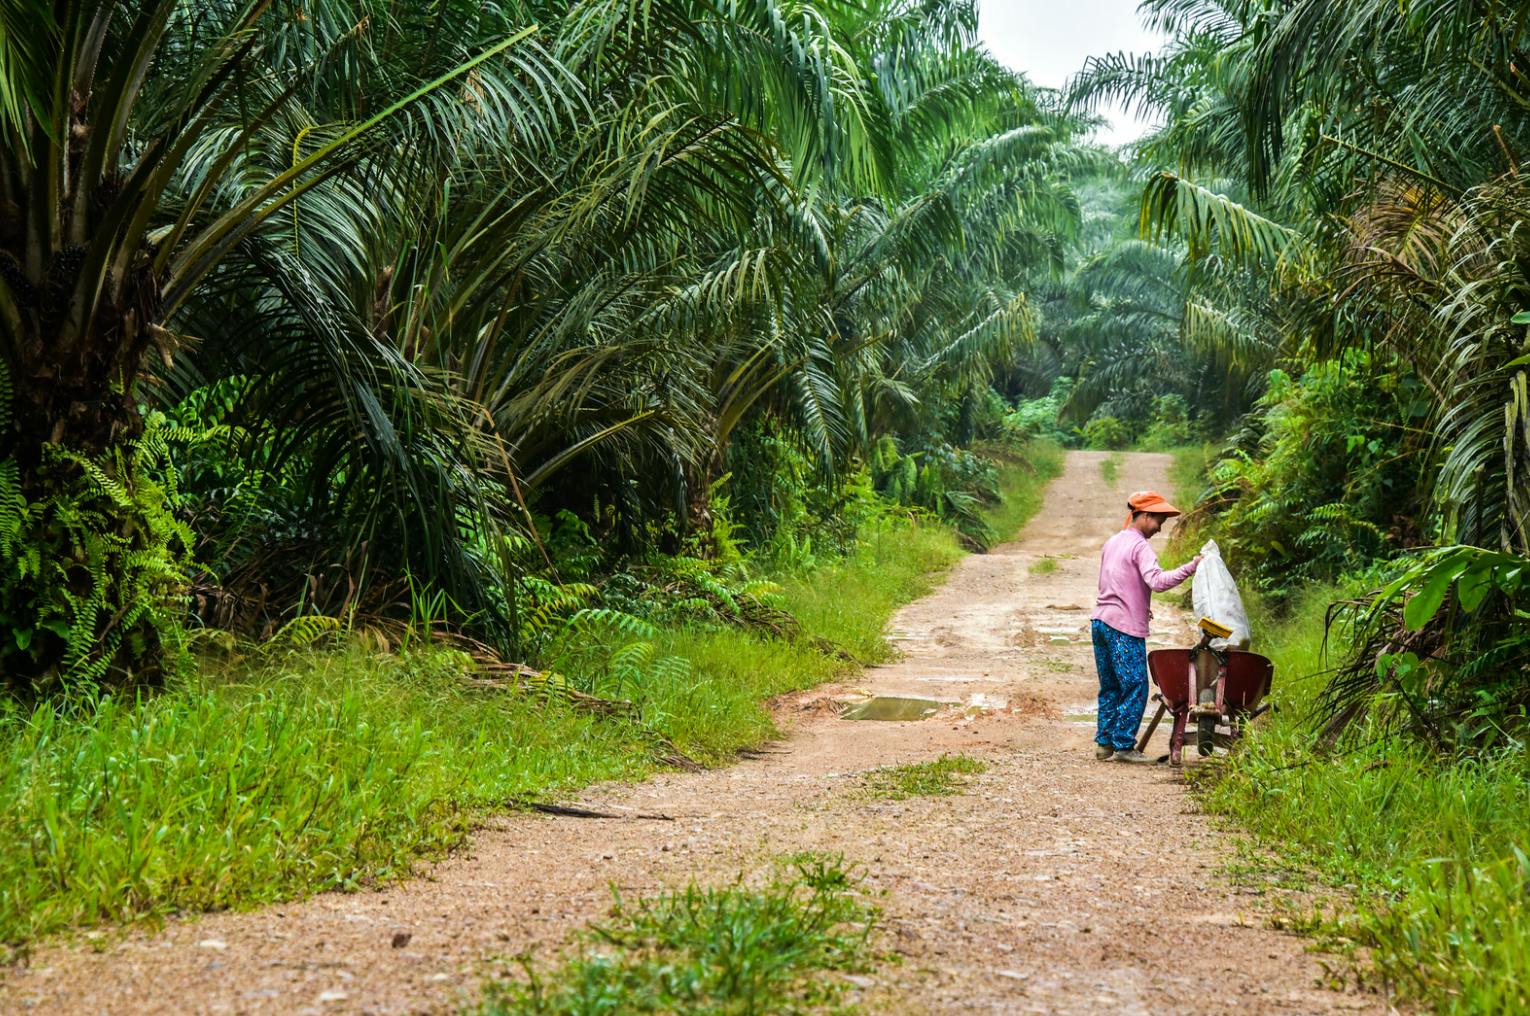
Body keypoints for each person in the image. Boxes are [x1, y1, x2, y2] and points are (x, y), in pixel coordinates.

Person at [1091, 490, 1201, 763]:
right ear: (1146, 515)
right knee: (1136, 685)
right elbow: (1158, 581)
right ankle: (1125, 746)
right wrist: (1192, 567)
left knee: (1111, 686)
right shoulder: (1140, 546)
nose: (1160, 528)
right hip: (1122, 627)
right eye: (1159, 521)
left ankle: (1104, 744)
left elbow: (1114, 581)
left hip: (1100, 621)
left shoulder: (1113, 541)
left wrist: (1139, 605)